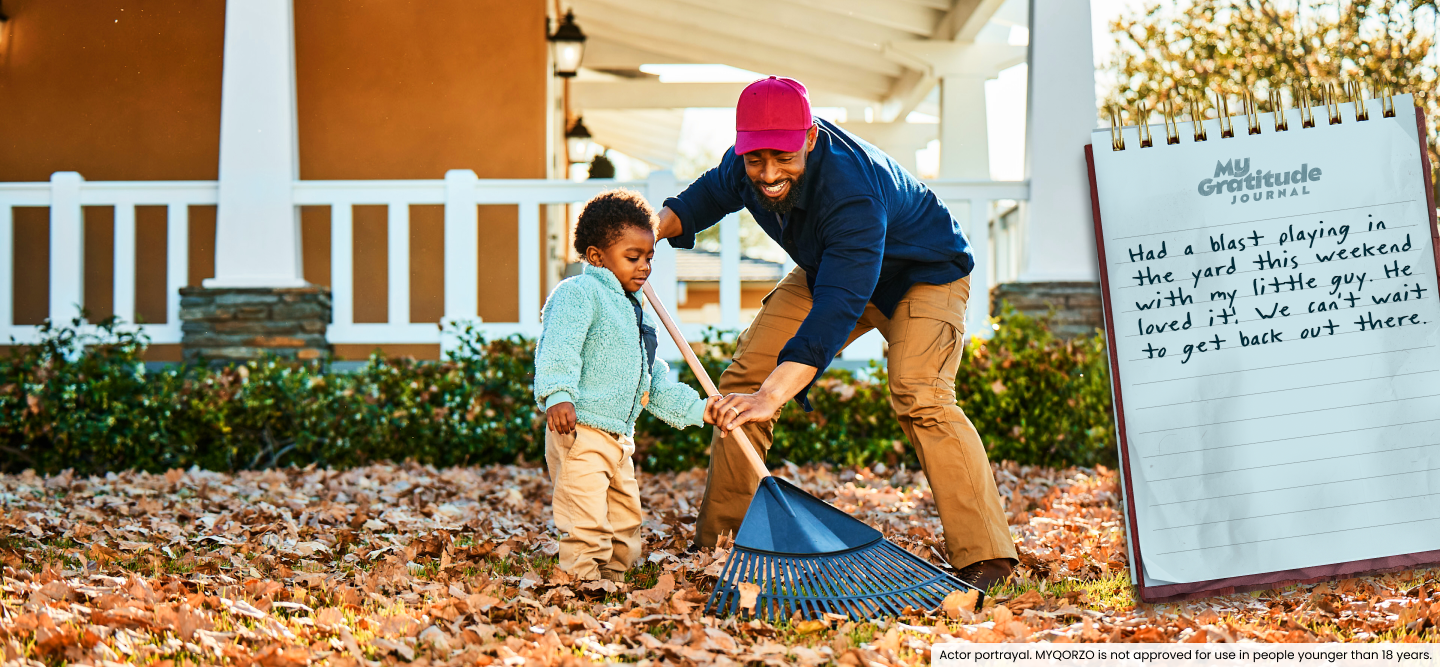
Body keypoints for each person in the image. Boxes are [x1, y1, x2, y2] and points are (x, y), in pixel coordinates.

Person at [655, 76, 1019, 590]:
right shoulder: (746, 164)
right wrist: (646, 232)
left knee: (920, 393)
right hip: (831, 269)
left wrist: (773, 396)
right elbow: (703, 198)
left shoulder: (852, 192)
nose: (768, 174)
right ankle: (723, 545)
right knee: (743, 383)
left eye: (782, 158)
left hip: (923, 273)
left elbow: (836, 310)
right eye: (755, 159)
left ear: (809, 138)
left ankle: (989, 557)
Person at [533, 189, 719, 582]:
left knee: (625, 516)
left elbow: (650, 377)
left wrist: (696, 408)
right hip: (580, 428)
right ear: (597, 256)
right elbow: (559, 346)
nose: (644, 267)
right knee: (585, 515)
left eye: (649, 257)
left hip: (619, 438)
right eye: (633, 258)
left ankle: (615, 577)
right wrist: (558, 395)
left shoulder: (637, 312)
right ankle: (584, 581)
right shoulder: (579, 294)